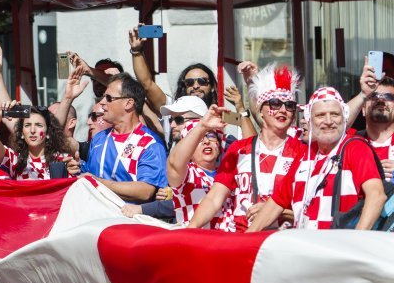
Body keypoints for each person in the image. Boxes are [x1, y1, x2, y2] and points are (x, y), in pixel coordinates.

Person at [248, 87, 386, 231]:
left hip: (339, 248)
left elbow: (376, 196)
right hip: (307, 247)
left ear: (344, 116)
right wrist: (247, 237)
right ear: (309, 120)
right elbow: (276, 203)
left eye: (335, 114)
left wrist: (356, 241)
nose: (328, 121)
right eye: (320, 115)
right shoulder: (304, 155)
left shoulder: (355, 147)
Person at [188, 63, 305, 232]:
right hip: (242, 239)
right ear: (260, 109)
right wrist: (191, 228)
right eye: (274, 103)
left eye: (289, 106)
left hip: (282, 241)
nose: (283, 110)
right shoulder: (239, 149)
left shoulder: (302, 153)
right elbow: (214, 198)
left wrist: (279, 212)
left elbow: (309, 209)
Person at [128, 115, 232, 228]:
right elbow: (173, 164)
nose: (206, 142)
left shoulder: (230, 172)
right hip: (198, 240)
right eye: (200, 139)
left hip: (229, 240)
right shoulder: (188, 174)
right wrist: (202, 126)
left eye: (211, 136)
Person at [78, 73, 167, 202]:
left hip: (128, 218)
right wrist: (76, 169)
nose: (102, 102)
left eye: (109, 98)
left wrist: (98, 182)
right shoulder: (99, 139)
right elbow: (88, 174)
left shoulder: (149, 143)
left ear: (128, 103)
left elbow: (145, 191)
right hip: (96, 216)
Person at [0, 102, 71, 180]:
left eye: (39, 125)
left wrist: (72, 170)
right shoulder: (14, 160)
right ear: (21, 133)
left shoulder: (61, 160)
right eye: (27, 125)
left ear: (48, 133)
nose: (32, 130)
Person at [359, 77, 394, 179]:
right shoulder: (351, 142)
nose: (381, 99)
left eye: (389, 97)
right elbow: (340, 119)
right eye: (373, 96)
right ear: (363, 109)